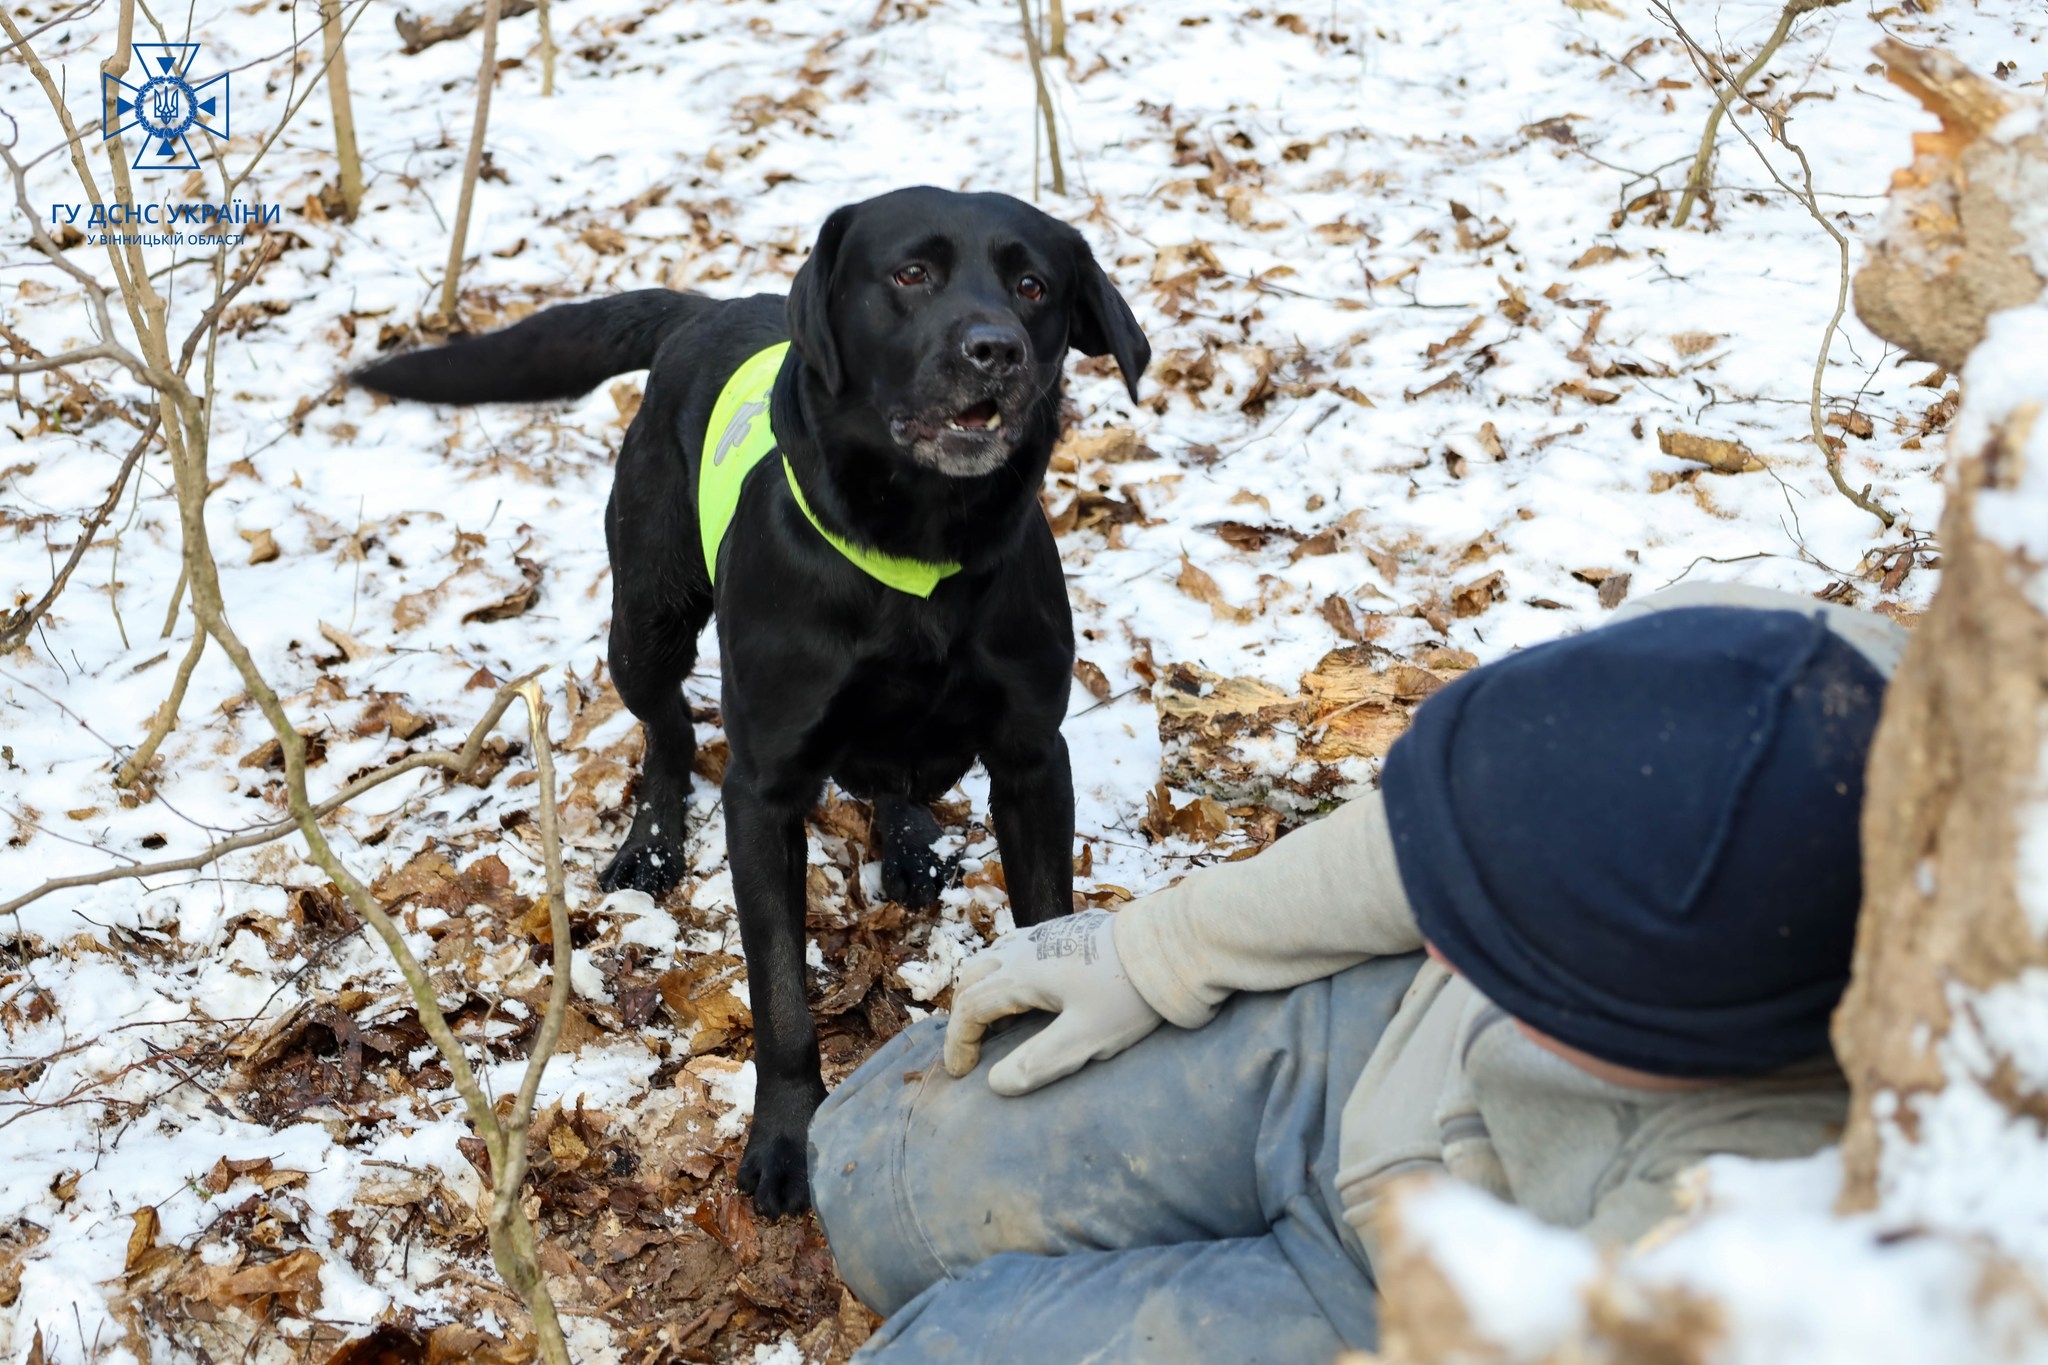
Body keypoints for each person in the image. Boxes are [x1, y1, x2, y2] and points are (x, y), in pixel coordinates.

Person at [806, 584, 1908, 1363]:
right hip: (1360, 1054)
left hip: (1426, 1308)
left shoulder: (1753, 1244)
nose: (1435, 933)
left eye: (1493, 935)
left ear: (1672, 1043)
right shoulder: (1767, 668)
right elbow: (1437, 835)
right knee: (872, 1174)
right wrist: (1154, 952)